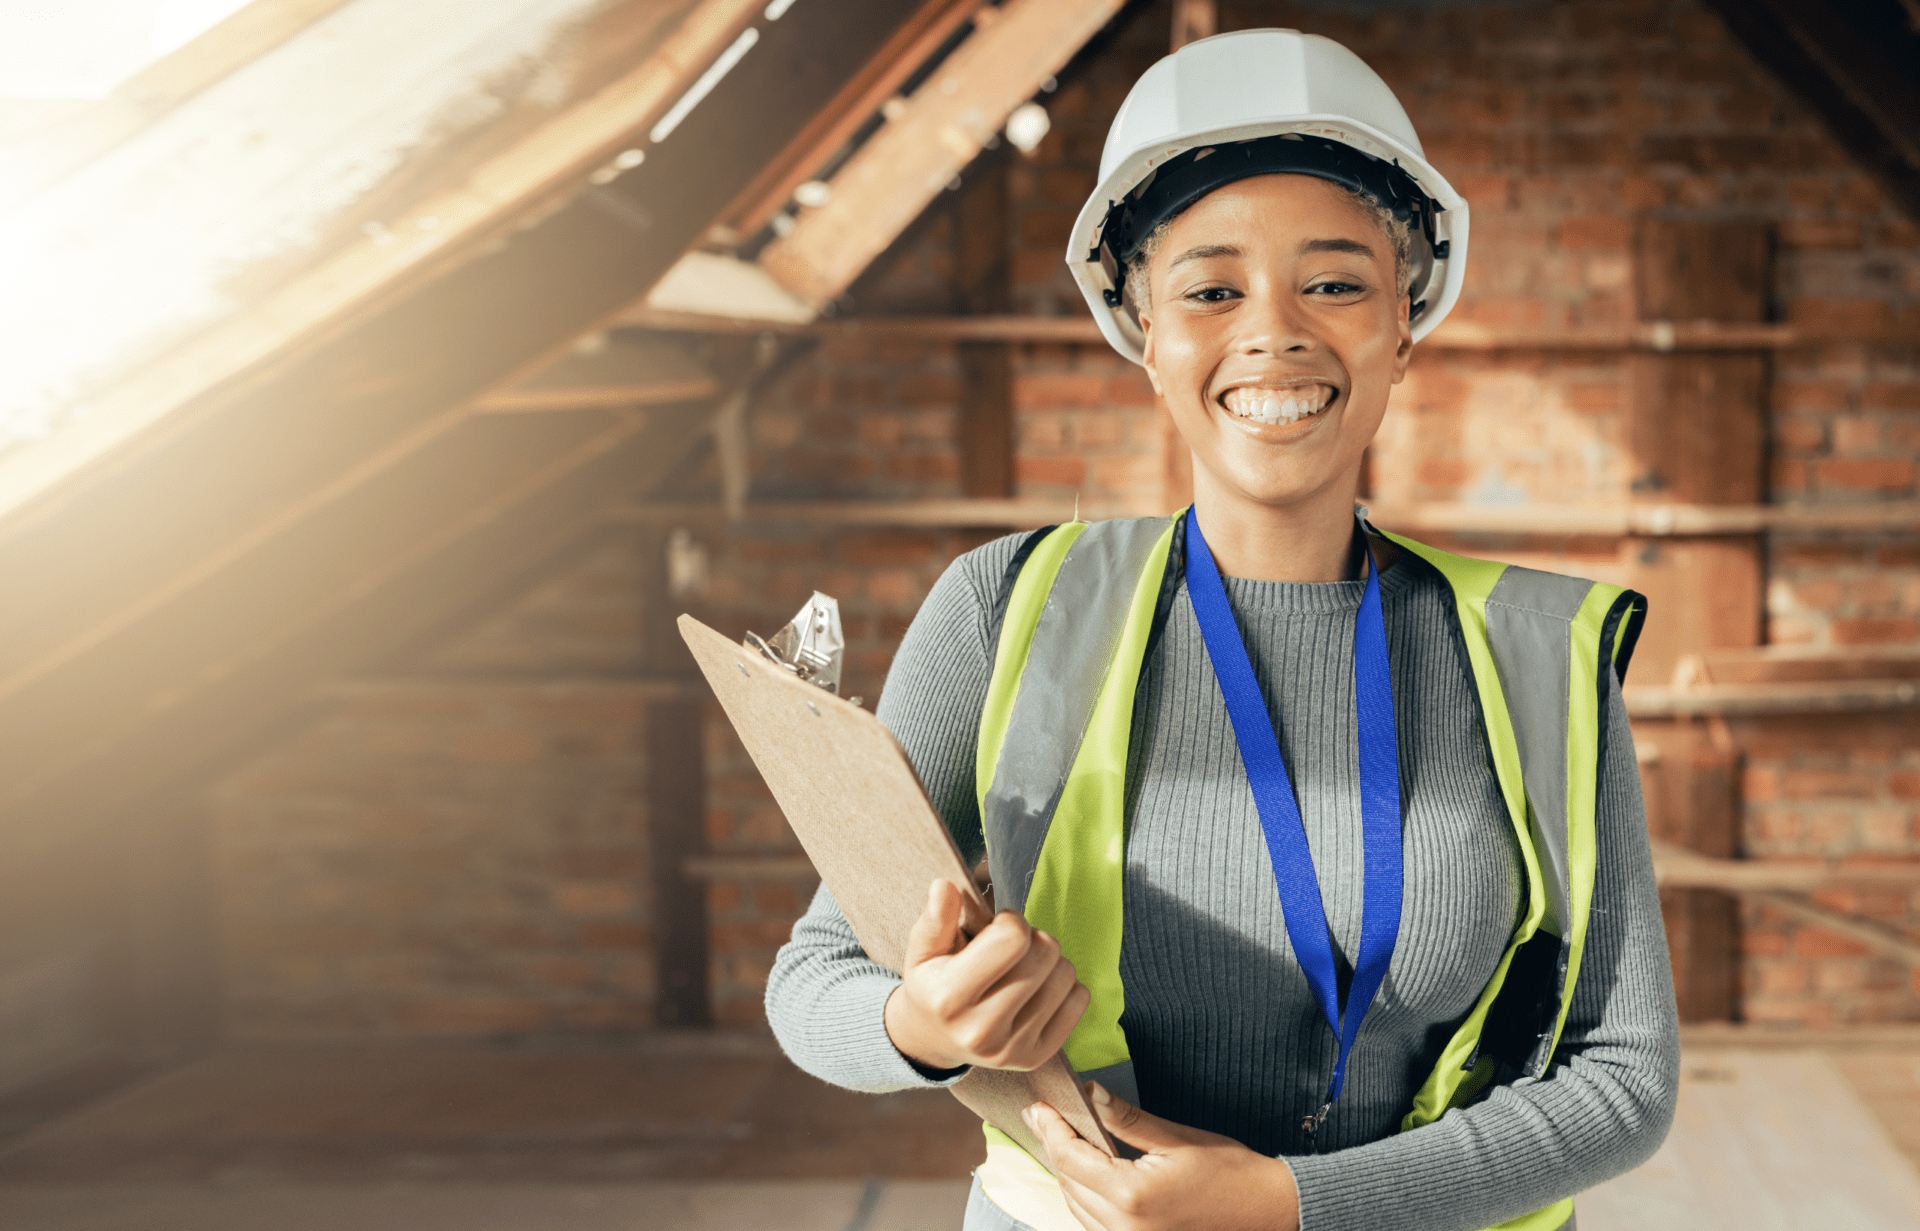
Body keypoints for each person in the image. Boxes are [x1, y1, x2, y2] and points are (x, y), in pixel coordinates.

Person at [765, 28, 1678, 1231]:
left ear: (1404, 326)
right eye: (1210, 288)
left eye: (1337, 282)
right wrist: (921, 1025)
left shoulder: (1536, 656)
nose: (1276, 330)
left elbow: (1626, 1075)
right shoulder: (1004, 608)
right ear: (1148, 334)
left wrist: (1296, 1204)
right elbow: (813, 984)